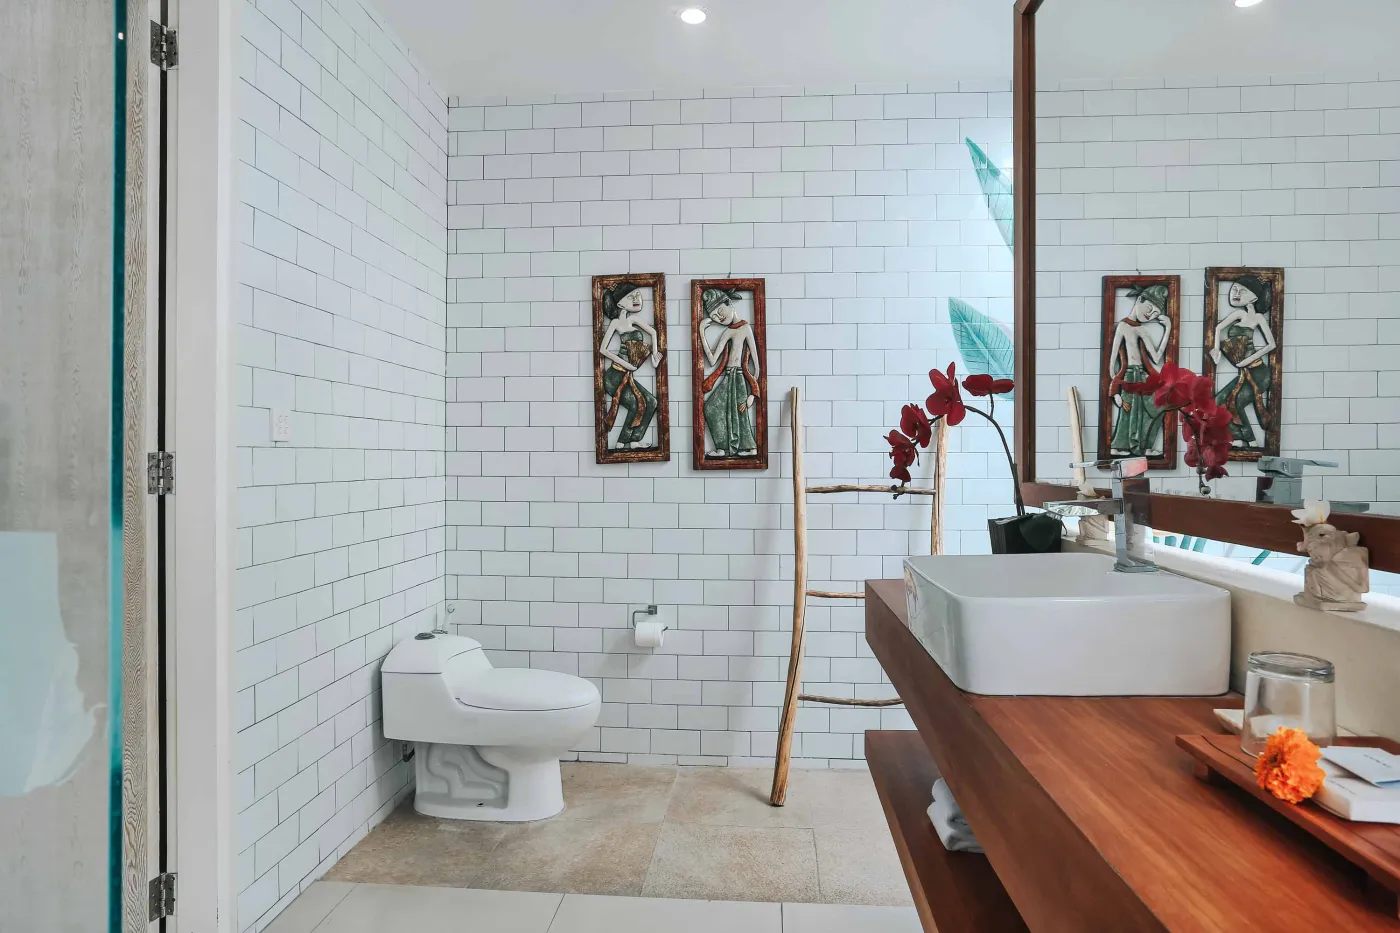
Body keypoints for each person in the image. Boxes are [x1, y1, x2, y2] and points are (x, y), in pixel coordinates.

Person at [1209, 274, 1277, 450]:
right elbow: (1218, 328)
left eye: (1242, 290)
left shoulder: (1259, 318)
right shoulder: (1239, 314)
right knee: (1219, 400)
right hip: (1243, 373)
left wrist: (1248, 359)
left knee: (1236, 402)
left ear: (1254, 297)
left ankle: (1252, 442)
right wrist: (1216, 349)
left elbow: (1271, 345)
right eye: (1234, 289)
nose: (1236, 292)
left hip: (1258, 372)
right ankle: (1238, 437)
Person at [1108, 284, 1173, 457]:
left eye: (1155, 314)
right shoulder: (1122, 326)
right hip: (1128, 376)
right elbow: (1112, 360)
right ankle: (1119, 446)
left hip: (1144, 377)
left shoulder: (1143, 330)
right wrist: (1115, 391)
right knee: (1127, 411)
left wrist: (1168, 329)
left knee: (1159, 407)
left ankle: (1145, 445)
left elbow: (1157, 357)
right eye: (1150, 308)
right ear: (1139, 300)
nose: (1150, 315)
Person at [598, 282, 662, 449]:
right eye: (631, 297)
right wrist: (627, 364)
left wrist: (655, 356)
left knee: (652, 402)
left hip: (628, 376)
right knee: (635, 404)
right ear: (620, 304)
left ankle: (634, 441)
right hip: (614, 376)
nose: (637, 299)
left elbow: (653, 332)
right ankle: (621, 442)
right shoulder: (614, 324)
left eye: (638, 295)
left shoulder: (633, 319)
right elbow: (603, 350)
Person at [699, 288, 760, 457]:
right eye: (714, 317)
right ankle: (722, 447)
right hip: (728, 376)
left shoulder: (745, 327)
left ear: (729, 303)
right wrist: (701, 332)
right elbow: (712, 359)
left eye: (719, 311)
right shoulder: (727, 332)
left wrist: (753, 394)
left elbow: (756, 364)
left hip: (740, 376)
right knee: (711, 408)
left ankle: (750, 447)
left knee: (740, 412)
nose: (719, 318)